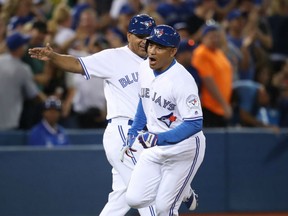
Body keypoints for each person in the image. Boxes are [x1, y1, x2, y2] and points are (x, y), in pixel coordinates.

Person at [29, 14, 157, 216]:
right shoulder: (114, 57)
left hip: (146, 134)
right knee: (146, 189)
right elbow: (78, 64)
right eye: (140, 35)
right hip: (125, 131)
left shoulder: (155, 62)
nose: (144, 41)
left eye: (149, 37)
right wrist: (54, 57)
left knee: (122, 197)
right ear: (129, 35)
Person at [120, 25, 206, 215]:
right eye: (151, 45)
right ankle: (183, 189)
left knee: (163, 208)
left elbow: (194, 123)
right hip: (156, 147)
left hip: (185, 148)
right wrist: (134, 130)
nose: (151, 50)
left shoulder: (182, 80)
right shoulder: (144, 67)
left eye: (159, 47)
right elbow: (145, 100)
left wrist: (158, 139)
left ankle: (179, 187)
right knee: (134, 198)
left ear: (173, 51)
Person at [0, 32, 45, 130]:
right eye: (23, 45)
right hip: (9, 123)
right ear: (19, 48)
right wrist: (48, 102)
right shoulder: (23, 69)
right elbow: (34, 95)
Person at [192, 24, 233, 127]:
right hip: (209, 107)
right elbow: (208, 80)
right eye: (211, 37)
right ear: (203, 38)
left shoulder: (218, 52)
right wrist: (224, 104)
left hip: (220, 106)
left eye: (217, 36)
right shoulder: (201, 53)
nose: (215, 39)